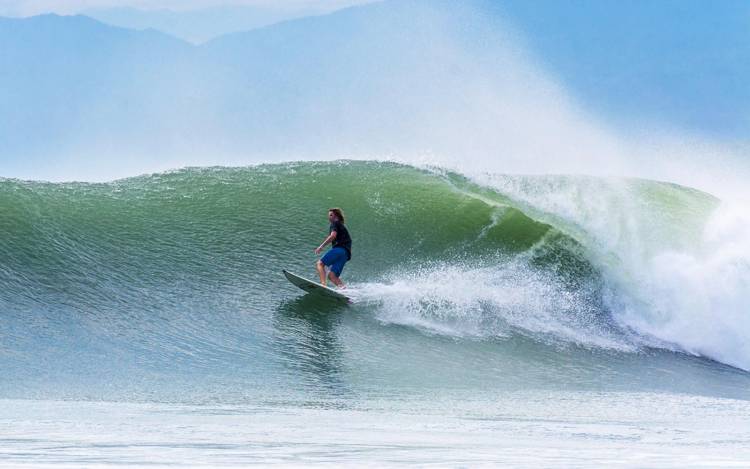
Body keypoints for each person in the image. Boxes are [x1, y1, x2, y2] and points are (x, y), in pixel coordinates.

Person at [314, 208, 352, 288]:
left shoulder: (335, 223)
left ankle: (323, 285)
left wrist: (321, 246)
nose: (329, 217)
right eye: (329, 215)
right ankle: (346, 291)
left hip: (339, 250)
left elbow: (333, 236)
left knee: (320, 264)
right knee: (332, 276)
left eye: (331, 215)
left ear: (336, 216)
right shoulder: (342, 226)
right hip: (345, 254)